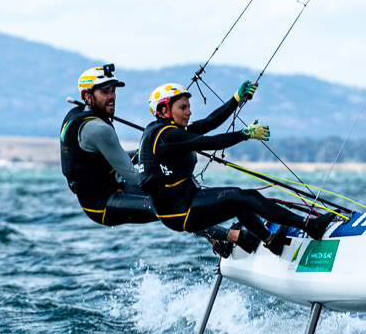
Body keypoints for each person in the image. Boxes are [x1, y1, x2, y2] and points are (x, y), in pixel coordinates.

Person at [139, 81, 339, 251]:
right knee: (246, 198)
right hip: (181, 211)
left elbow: (208, 122)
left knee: (238, 197)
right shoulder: (167, 136)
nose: (189, 112)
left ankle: (271, 242)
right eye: (183, 107)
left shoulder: (167, 131)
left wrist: (236, 98)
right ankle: (310, 226)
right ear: (164, 110)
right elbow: (212, 142)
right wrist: (245, 134)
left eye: (189, 107)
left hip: (184, 203)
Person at [60, 65, 238, 253]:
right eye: (105, 92)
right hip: (102, 204)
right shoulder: (98, 129)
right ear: (87, 96)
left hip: (115, 185)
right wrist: (173, 181)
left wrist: (148, 153)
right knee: (170, 204)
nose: (112, 96)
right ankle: (233, 238)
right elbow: (135, 178)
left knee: (177, 198)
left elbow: (117, 158)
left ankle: (220, 241)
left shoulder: (78, 115)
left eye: (113, 90)